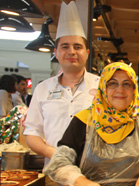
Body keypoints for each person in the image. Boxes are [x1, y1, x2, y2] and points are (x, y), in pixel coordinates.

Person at [44, 62, 139, 186]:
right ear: (103, 88)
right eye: (113, 84)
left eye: (126, 84)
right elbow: (58, 163)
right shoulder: (83, 120)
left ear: (134, 89)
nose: (120, 90)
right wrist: (80, 181)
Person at [24, 1, 100, 168]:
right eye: (65, 46)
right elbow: (31, 132)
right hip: (54, 173)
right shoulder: (43, 89)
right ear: (56, 53)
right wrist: (54, 154)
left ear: (87, 53)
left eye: (77, 47)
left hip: (94, 173)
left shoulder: (102, 86)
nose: (72, 51)